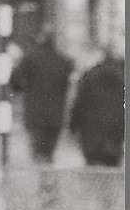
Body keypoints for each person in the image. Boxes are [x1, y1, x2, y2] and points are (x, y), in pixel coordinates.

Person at [8, 26, 74, 164]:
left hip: (35, 114)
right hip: (55, 115)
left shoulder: (30, 59)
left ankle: (40, 179)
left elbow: (15, 81)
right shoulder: (63, 61)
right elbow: (67, 84)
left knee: (36, 151)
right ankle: (47, 181)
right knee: (49, 152)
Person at [68, 49, 125, 167]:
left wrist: (73, 126)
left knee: (93, 172)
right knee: (111, 173)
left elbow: (79, 103)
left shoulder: (89, 76)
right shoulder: (122, 79)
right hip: (114, 137)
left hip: (91, 136)